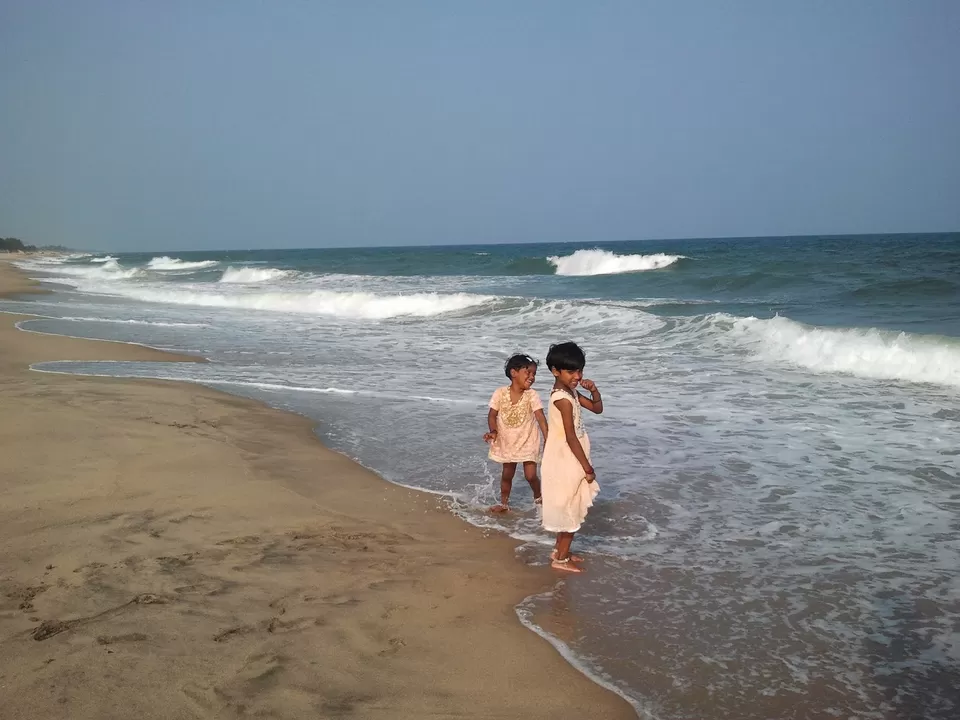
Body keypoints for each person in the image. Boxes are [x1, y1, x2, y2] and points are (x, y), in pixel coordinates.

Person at [540, 341, 603, 573]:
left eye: (580, 370)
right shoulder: (563, 399)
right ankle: (561, 559)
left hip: (569, 457)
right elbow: (570, 437)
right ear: (555, 371)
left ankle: (560, 551)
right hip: (566, 459)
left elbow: (597, 409)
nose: (577, 375)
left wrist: (594, 390)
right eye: (571, 371)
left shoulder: (571, 393)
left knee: (570, 504)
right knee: (570, 509)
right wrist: (587, 468)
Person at [483, 353, 548, 513]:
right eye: (528, 372)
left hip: (528, 440)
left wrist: (548, 438)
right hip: (507, 440)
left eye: (534, 374)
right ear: (514, 373)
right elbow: (492, 415)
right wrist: (493, 431)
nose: (532, 377)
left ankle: (539, 498)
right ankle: (504, 503)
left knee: (530, 475)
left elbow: (540, 417)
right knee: (507, 475)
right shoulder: (500, 393)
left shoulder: (531, 395)